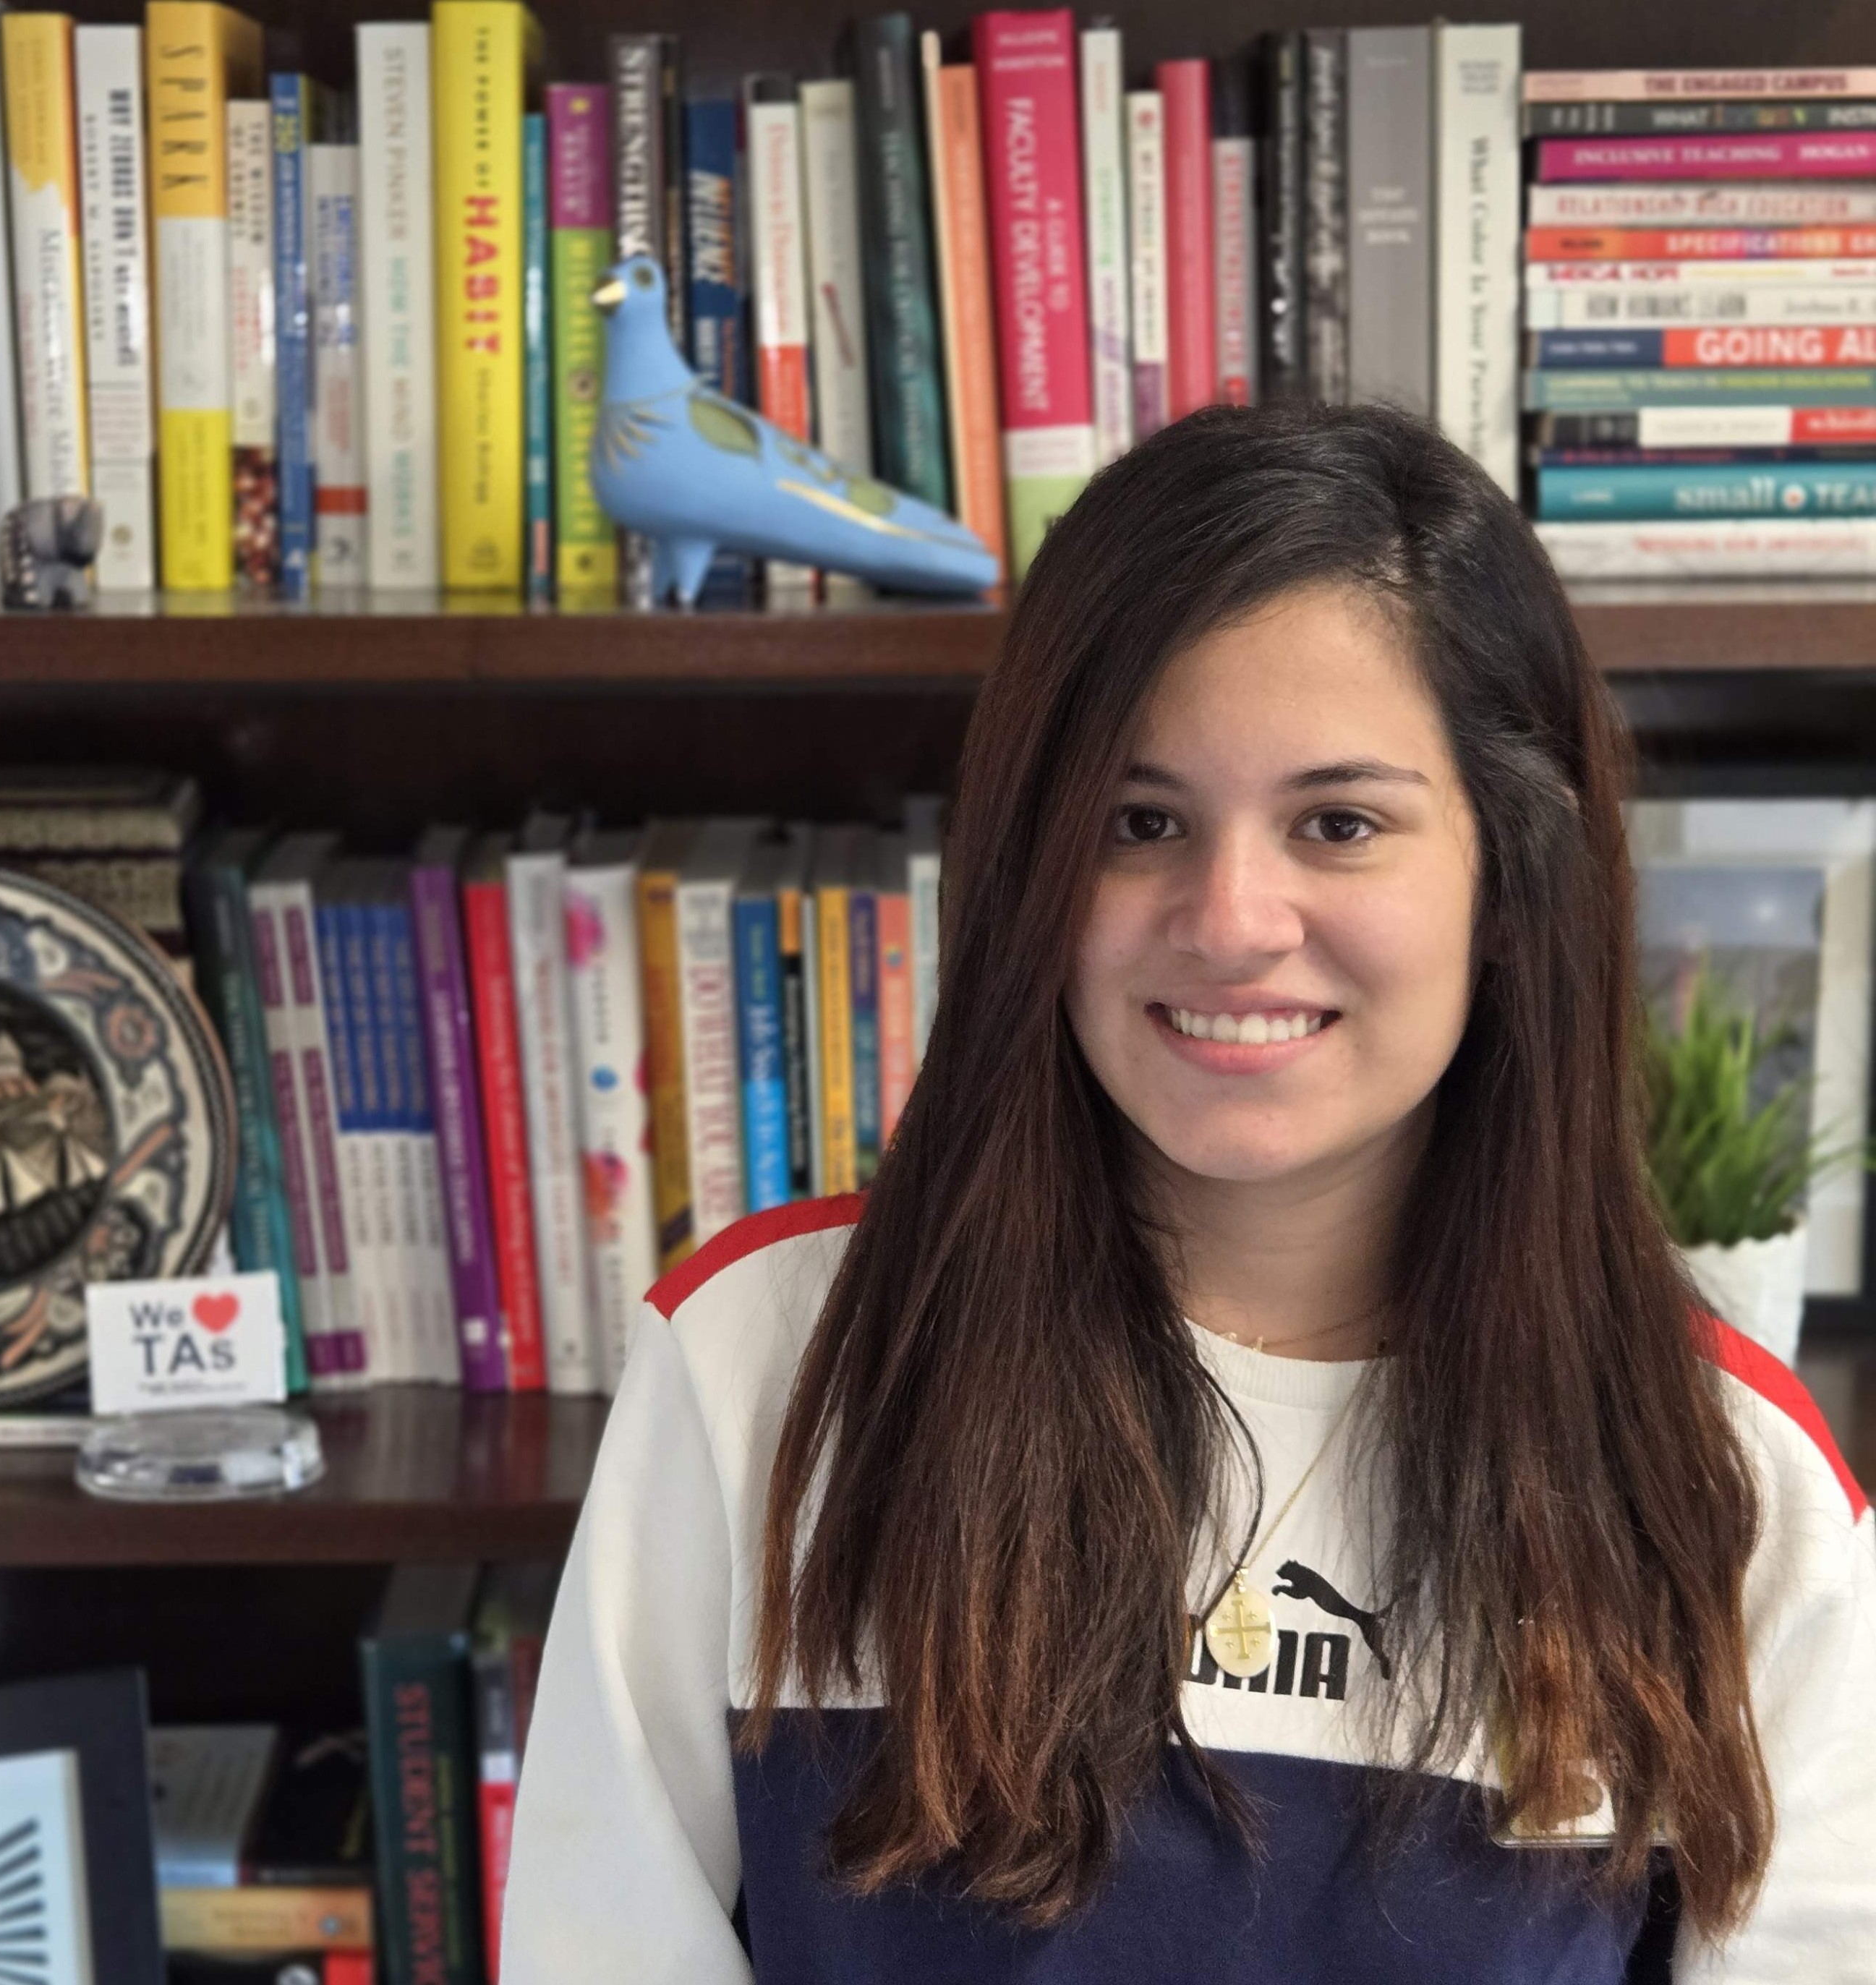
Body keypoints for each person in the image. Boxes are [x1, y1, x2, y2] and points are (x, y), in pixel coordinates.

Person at [502, 404, 1876, 1982]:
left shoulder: (1729, 1483)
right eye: (1137, 821)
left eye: (1337, 822)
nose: (1229, 919)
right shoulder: (760, 1360)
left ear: (1509, 880)